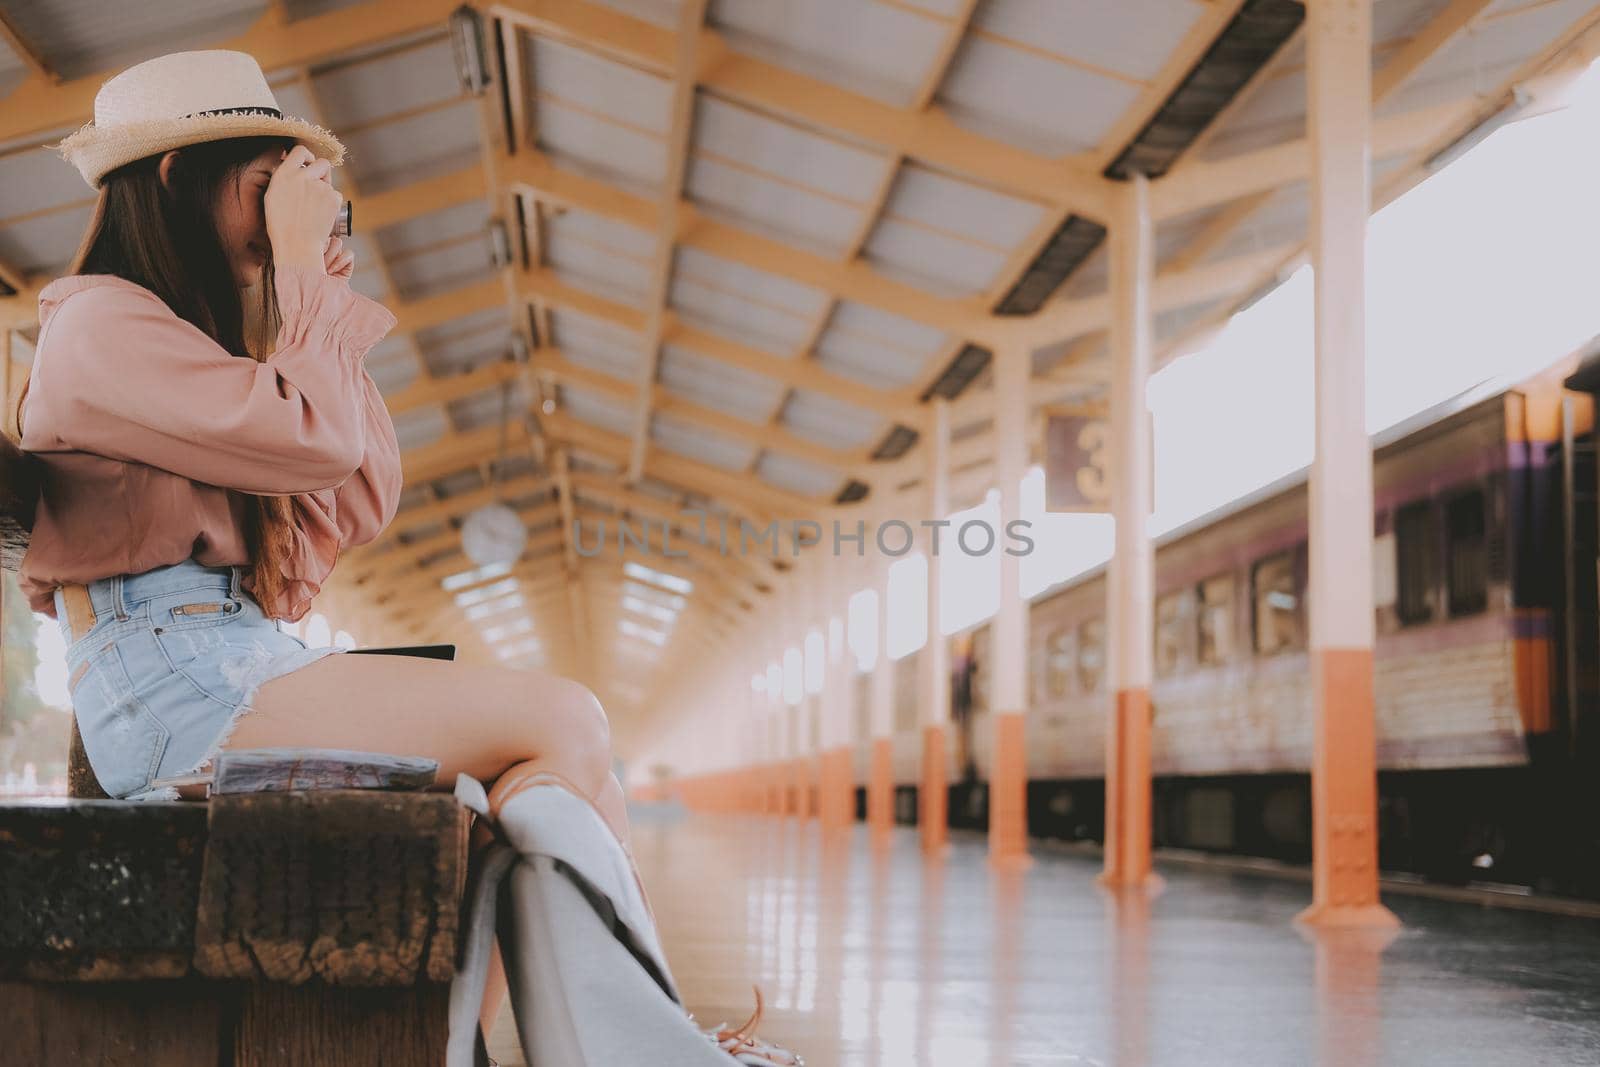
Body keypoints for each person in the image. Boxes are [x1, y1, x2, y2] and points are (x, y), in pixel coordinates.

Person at [18, 49, 798, 1064]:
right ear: (176, 175)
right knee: (563, 717)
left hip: (231, 662)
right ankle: (598, 1050)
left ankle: (567, 1045)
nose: (280, 218)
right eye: (265, 187)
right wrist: (300, 280)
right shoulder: (98, 325)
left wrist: (322, 286)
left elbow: (356, 491)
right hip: (171, 688)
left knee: (564, 773)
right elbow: (322, 442)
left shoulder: (190, 343)